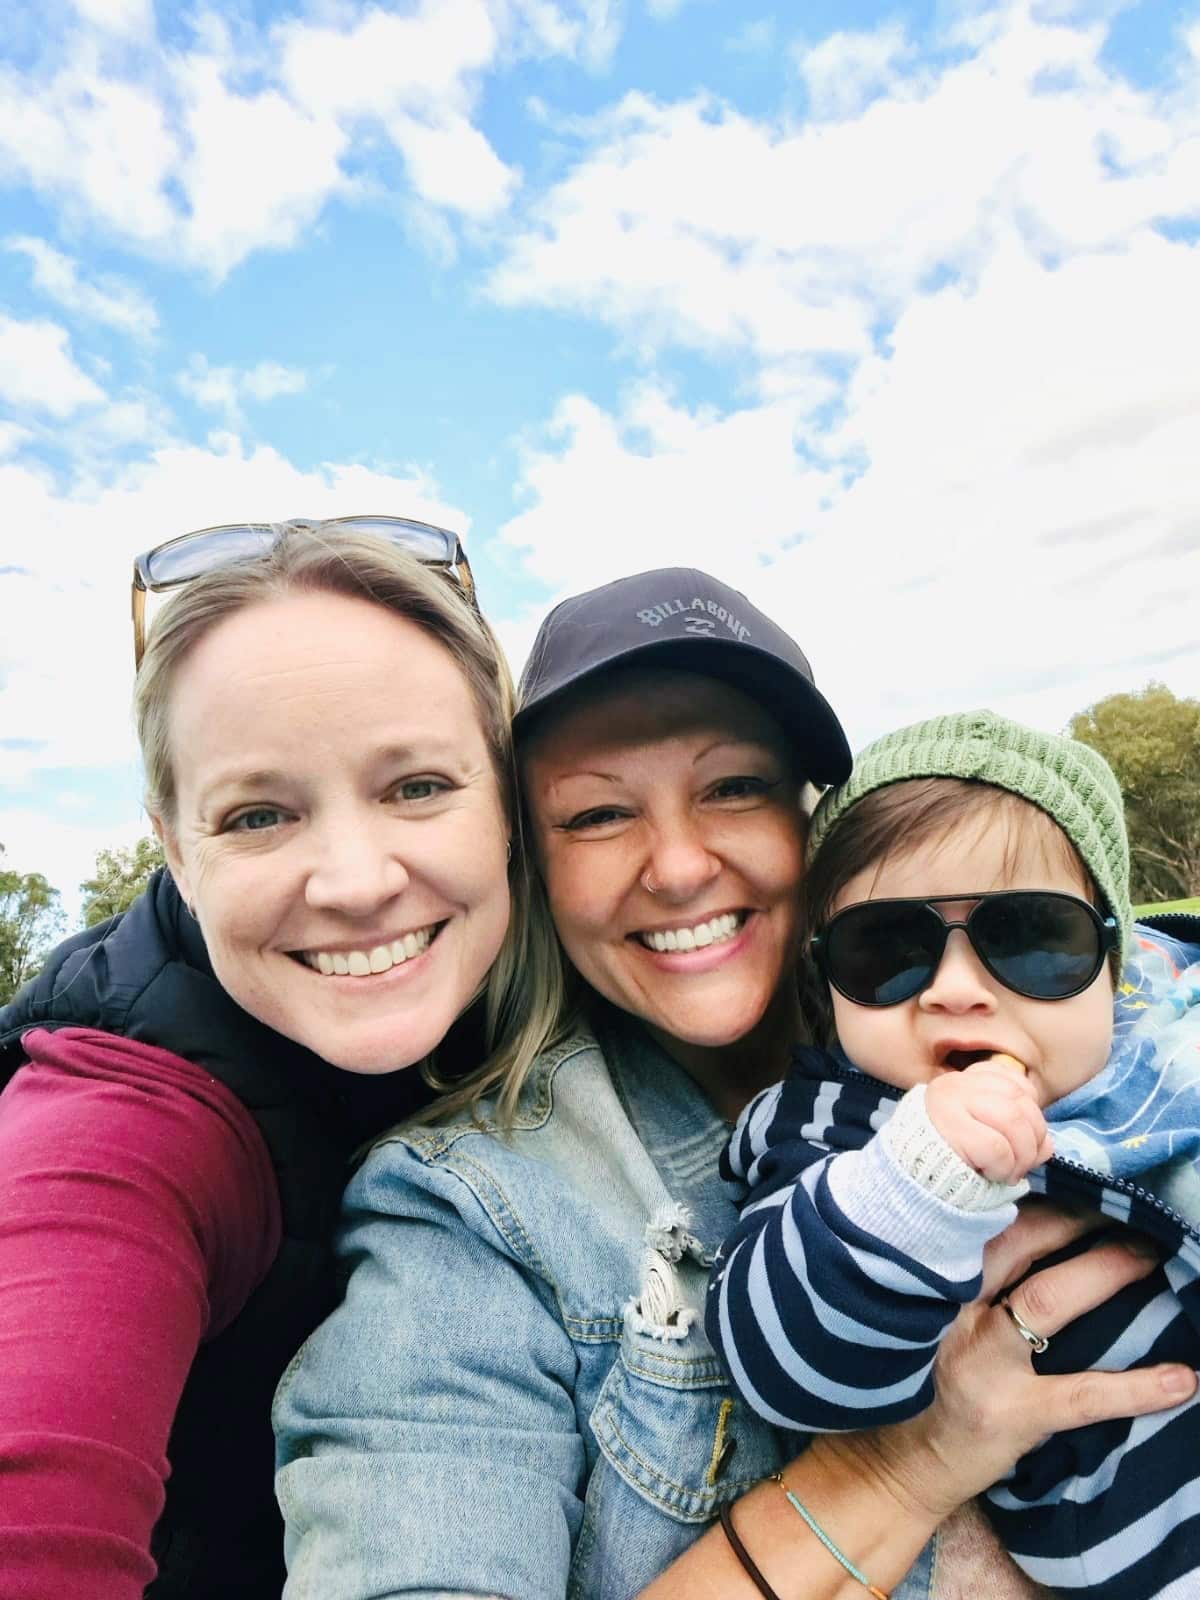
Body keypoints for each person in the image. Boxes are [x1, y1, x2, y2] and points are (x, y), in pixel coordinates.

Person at [274, 570, 1195, 1600]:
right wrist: (902, 1471)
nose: (676, 866)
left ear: (821, 828)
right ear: (530, 866)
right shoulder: (471, 1212)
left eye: (734, 787)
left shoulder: (1098, 1016)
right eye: (597, 814)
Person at [0, 519, 549, 1600]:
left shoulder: (569, 994)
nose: (352, 880)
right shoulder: (123, 1121)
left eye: (417, 787)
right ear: (175, 849)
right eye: (258, 813)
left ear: (508, 803)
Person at [709, 710, 1200, 1599]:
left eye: (1032, 939)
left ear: (1115, 957)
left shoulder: (1169, 1044)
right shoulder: (833, 1128)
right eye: (886, 950)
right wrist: (915, 1181)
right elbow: (785, 1364)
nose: (957, 990)